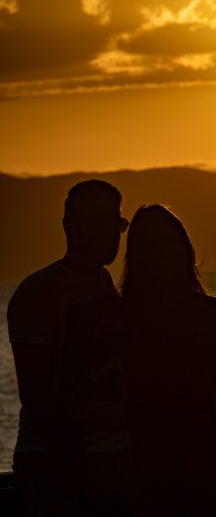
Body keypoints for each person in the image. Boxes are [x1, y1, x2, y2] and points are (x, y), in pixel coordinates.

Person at [7, 179, 133, 516]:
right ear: (68, 226)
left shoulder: (103, 283)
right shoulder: (39, 293)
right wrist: (81, 468)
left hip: (108, 459)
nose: (111, 232)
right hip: (57, 465)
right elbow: (36, 396)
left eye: (116, 223)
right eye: (97, 221)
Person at [119, 204, 216, 516]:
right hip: (158, 477)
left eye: (166, 244)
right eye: (152, 247)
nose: (161, 255)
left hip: (196, 475)